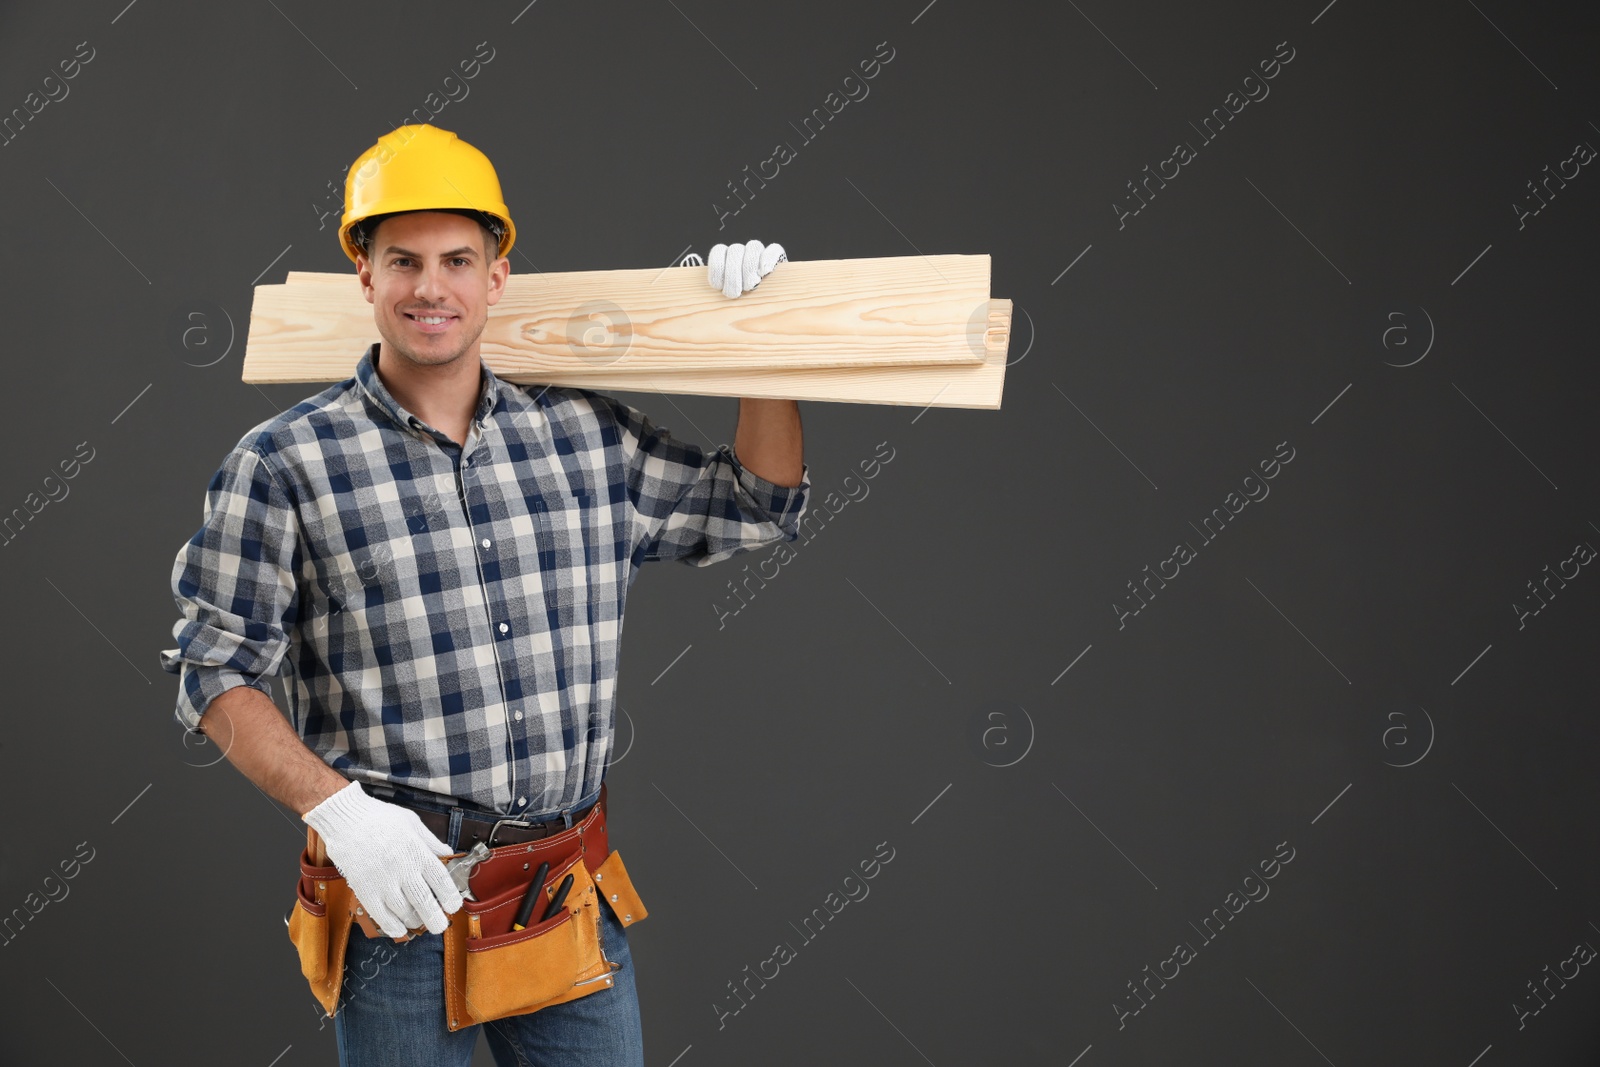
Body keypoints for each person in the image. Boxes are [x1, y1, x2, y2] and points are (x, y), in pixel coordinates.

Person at [159, 123, 808, 1066]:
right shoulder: (283, 464)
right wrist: (339, 814)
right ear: (365, 276)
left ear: (496, 275)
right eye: (404, 260)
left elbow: (756, 502)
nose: (433, 287)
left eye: (458, 259)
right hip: (400, 902)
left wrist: (764, 350)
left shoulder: (585, 436)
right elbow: (212, 669)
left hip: (562, 895)